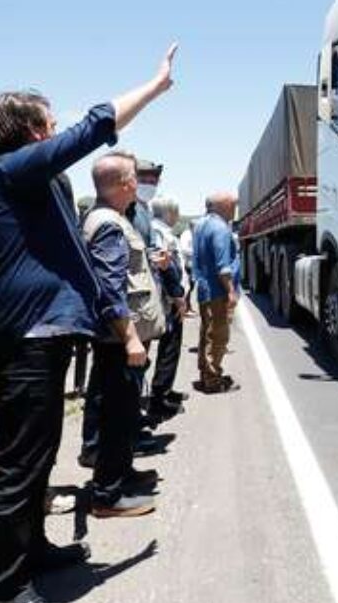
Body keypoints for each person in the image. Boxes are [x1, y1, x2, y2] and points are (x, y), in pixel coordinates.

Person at [0, 44, 178, 603]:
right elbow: (95, 128)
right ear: (33, 132)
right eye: (50, 125)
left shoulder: (33, 185)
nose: (57, 133)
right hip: (28, 336)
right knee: (17, 465)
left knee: (36, 460)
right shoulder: (12, 169)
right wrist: (155, 86)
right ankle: (4, 596)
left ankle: (31, 551)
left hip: (45, 334)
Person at [81, 153, 167, 518]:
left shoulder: (111, 219)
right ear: (120, 184)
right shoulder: (109, 224)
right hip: (120, 341)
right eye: (132, 177)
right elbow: (109, 288)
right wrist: (131, 338)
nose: (137, 183)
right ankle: (108, 495)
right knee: (118, 414)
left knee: (124, 411)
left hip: (120, 338)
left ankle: (122, 473)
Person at [192, 191, 241, 393]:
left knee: (207, 333)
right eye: (232, 206)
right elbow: (223, 266)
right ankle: (212, 380)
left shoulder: (201, 225)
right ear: (222, 207)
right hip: (217, 290)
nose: (235, 210)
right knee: (219, 335)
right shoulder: (220, 228)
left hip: (205, 288)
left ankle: (206, 373)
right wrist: (230, 291)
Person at [148, 196, 188, 418]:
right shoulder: (161, 232)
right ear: (169, 213)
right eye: (176, 212)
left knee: (169, 350)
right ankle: (160, 399)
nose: (178, 216)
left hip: (169, 299)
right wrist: (177, 295)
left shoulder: (158, 230)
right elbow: (165, 266)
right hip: (168, 301)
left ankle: (165, 391)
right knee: (169, 350)